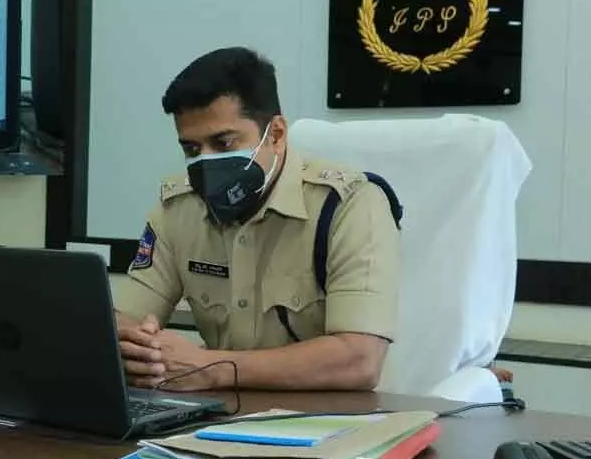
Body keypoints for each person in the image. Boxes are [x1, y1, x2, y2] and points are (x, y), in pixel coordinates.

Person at [114, 47, 400, 393]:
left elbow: (360, 360)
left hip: (331, 425)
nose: (205, 162)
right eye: (191, 149)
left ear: (276, 134)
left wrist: (211, 367)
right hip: (212, 421)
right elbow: (122, 322)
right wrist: (141, 350)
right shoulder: (179, 208)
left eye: (223, 143)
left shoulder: (351, 204)